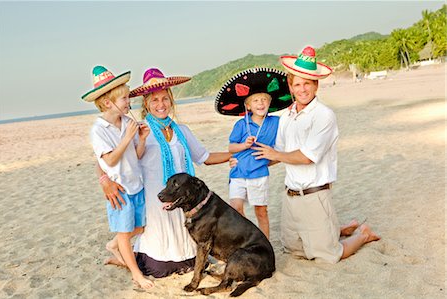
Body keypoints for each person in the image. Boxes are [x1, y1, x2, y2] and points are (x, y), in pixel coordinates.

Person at [251, 47, 380, 263]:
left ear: (316, 85)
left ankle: (363, 234)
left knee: (329, 255)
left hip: (315, 195)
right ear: (290, 87)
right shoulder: (286, 116)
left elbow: (306, 157)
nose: (302, 89)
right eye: (297, 84)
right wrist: (248, 159)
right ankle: (338, 229)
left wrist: (275, 153)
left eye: (307, 84)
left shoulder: (324, 115)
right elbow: (278, 154)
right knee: (294, 249)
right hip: (290, 196)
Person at [99, 68, 232, 278]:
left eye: (164, 99)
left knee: (192, 259)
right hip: (156, 198)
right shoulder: (139, 131)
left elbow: (204, 157)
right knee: (159, 267)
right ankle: (121, 252)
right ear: (146, 104)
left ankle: (119, 250)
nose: (160, 105)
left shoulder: (182, 131)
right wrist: (104, 180)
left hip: (183, 199)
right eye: (154, 100)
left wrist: (235, 153)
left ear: (171, 100)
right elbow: (106, 156)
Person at [81, 66, 154, 289]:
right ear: (107, 103)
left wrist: (140, 139)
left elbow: (137, 155)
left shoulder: (126, 123)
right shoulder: (99, 129)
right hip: (120, 189)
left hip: (136, 184)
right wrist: (128, 137)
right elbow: (109, 161)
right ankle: (136, 274)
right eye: (124, 98)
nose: (128, 102)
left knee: (140, 227)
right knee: (125, 233)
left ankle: (113, 246)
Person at [214, 68, 293, 238]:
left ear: (269, 103)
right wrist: (244, 145)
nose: (260, 103)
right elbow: (231, 148)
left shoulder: (276, 122)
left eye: (264, 99)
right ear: (248, 106)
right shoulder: (242, 125)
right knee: (236, 209)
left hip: (259, 174)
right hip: (238, 173)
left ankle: (265, 243)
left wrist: (272, 159)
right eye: (256, 100)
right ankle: (244, 239)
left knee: (261, 211)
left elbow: (285, 137)